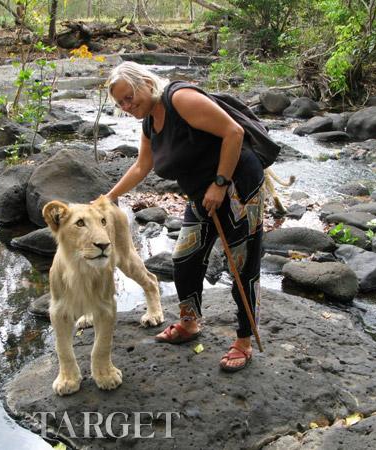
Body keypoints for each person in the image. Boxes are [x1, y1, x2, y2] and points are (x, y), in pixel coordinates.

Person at [104, 62, 265, 372]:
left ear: (146, 84)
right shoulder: (150, 123)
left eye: (129, 97)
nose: (126, 106)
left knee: (241, 264)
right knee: (185, 257)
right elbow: (141, 166)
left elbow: (234, 131)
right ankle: (190, 323)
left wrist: (220, 184)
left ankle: (244, 340)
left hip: (237, 187)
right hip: (201, 195)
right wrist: (109, 197)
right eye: (120, 103)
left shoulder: (180, 99)